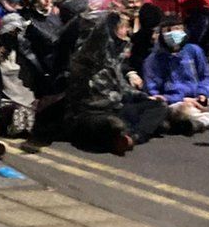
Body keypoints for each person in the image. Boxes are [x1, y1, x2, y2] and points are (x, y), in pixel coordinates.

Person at [65, 11, 167, 155]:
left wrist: (143, 97)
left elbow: (122, 87)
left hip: (115, 107)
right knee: (107, 123)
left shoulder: (115, 55)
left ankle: (132, 137)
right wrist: (108, 20)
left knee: (158, 106)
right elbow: (95, 41)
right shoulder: (86, 54)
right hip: (90, 112)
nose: (128, 31)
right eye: (124, 27)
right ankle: (120, 133)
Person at [143, 17, 209, 134]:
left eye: (177, 29)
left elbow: (204, 77)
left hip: (200, 99)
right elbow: (155, 93)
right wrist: (181, 99)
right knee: (184, 111)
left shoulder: (194, 50)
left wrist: (202, 94)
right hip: (177, 103)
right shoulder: (153, 60)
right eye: (168, 30)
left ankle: (204, 121)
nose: (173, 33)